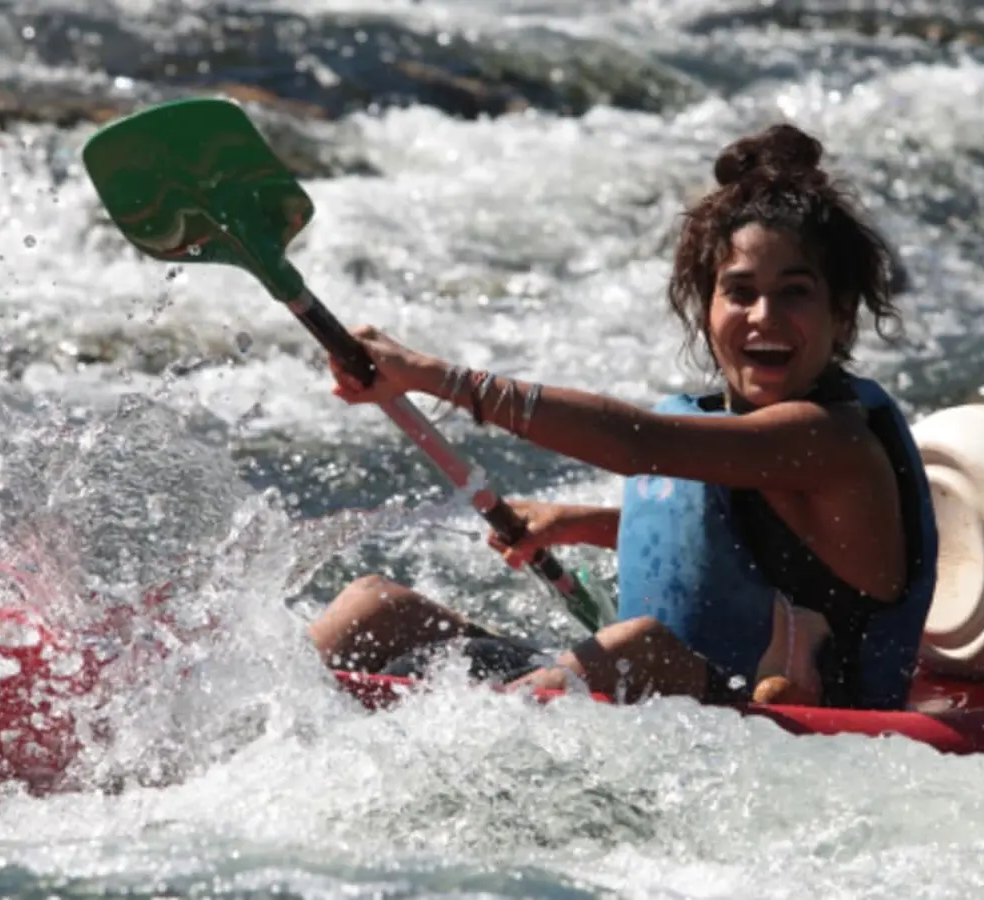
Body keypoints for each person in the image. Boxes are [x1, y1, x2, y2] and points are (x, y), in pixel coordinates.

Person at [309, 123, 938, 711]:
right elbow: (745, 549)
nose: (763, 315)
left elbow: (636, 444)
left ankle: (446, 759)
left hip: (791, 732)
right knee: (372, 606)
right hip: (670, 700)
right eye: (740, 291)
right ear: (705, 307)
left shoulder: (831, 440)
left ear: (844, 316)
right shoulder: (741, 431)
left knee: (637, 646)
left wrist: (431, 376)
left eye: (795, 292)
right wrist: (581, 523)